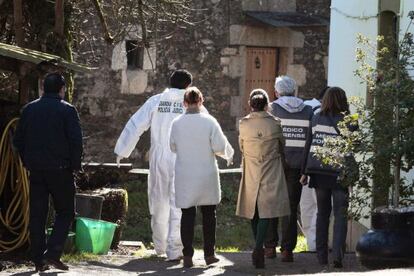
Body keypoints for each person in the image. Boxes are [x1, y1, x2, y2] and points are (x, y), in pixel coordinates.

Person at [114, 69, 197, 261]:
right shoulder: (191, 102)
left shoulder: (156, 101)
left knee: (159, 200)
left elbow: (136, 125)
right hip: (182, 158)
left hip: (159, 156)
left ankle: (160, 246)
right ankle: (175, 249)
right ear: (188, 85)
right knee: (179, 203)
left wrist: (122, 151)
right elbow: (205, 127)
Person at [13, 73, 83, 272]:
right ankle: (52, 253)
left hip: (36, 171)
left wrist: (28, 162)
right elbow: (76, 141)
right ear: (62, 89)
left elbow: (18, 141)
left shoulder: (29, 109)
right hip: (61, 170)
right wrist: (75, 166)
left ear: (43, 89)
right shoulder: (67, 110)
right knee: (66, 212)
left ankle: (38, 259)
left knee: (38, 215)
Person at [170, 87, 234, 268]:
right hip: (206, 174)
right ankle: (209, 254)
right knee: (209, 215)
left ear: (184, 103)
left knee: (187, 215)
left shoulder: (176, 123)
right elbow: (220, 146)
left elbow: (172, 146)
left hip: (185, 174)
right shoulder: (209, 121)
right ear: (201, 101)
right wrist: (226, 154)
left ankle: (188, 255)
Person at [237, 89, 290, 268]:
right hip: (271, 168)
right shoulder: (275, 123)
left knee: (253, 209)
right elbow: (283, 145)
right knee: (267, 209)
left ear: (251, 104)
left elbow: (241, 147)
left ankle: (258, 245)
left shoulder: (243, 124)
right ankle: (259, 246)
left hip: (252, 168)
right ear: (267, 105)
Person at [300, 87, 351, 268]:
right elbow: (356, 145)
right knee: (340, 215)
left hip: (319, 172)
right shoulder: (349, 120)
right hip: (340, 173)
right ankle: (337, 256)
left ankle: (321, 257)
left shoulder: (315, 117)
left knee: (323, 214)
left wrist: (304, 172)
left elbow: (309, 144)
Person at [265, 76, 313, 262]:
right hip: (299, 165)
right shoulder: (308, 110)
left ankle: (270, 247)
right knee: (291, 208)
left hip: (276, 163)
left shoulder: (272, 108)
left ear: (277, 92)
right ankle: (287, 250)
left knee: (271, 205)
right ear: (295, 91)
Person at [300, 86, 330, 252]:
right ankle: (314, 243)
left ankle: (311, 242)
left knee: (306, 205)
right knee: (319, 207)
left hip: (308, 165)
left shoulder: (305, 107)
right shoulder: (327, 115)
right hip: (323, 167)